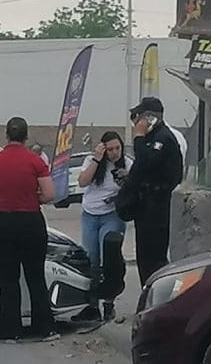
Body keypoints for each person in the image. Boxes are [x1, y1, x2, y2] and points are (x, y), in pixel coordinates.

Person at [0, 117, 59, 342]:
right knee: (35, 276)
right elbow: (50, 194)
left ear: (6, 135)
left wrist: (2, 196)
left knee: (8, 278)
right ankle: (44, 328)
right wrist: (34, 197)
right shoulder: (35, 161)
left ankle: (10, 330)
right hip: (30, 221)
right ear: (26, 136)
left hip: (1, 221)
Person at [117, 97, 184, 285]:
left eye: (140, 118)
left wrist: (138, 137)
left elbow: (146, 161)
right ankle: (148, 292)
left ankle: (156, 294)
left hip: (157, 206)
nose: (136, 123)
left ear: (151, 118)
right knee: (144, 256)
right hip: (145, 206)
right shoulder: (152, 138)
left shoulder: (162, 138)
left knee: (153, 258)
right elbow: (143, 168)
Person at [70, 132, 132, 323]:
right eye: (110, 149)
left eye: (117, 148)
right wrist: (97, 159)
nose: (114, 153)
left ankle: (109, 303)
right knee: (92, 259)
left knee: (109, 257)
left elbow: (134, 187)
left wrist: (124, 186)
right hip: (90, 214)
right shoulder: (92, 160)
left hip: (112, 215)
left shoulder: (127, 164)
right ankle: (92, 305)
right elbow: (82, 182)